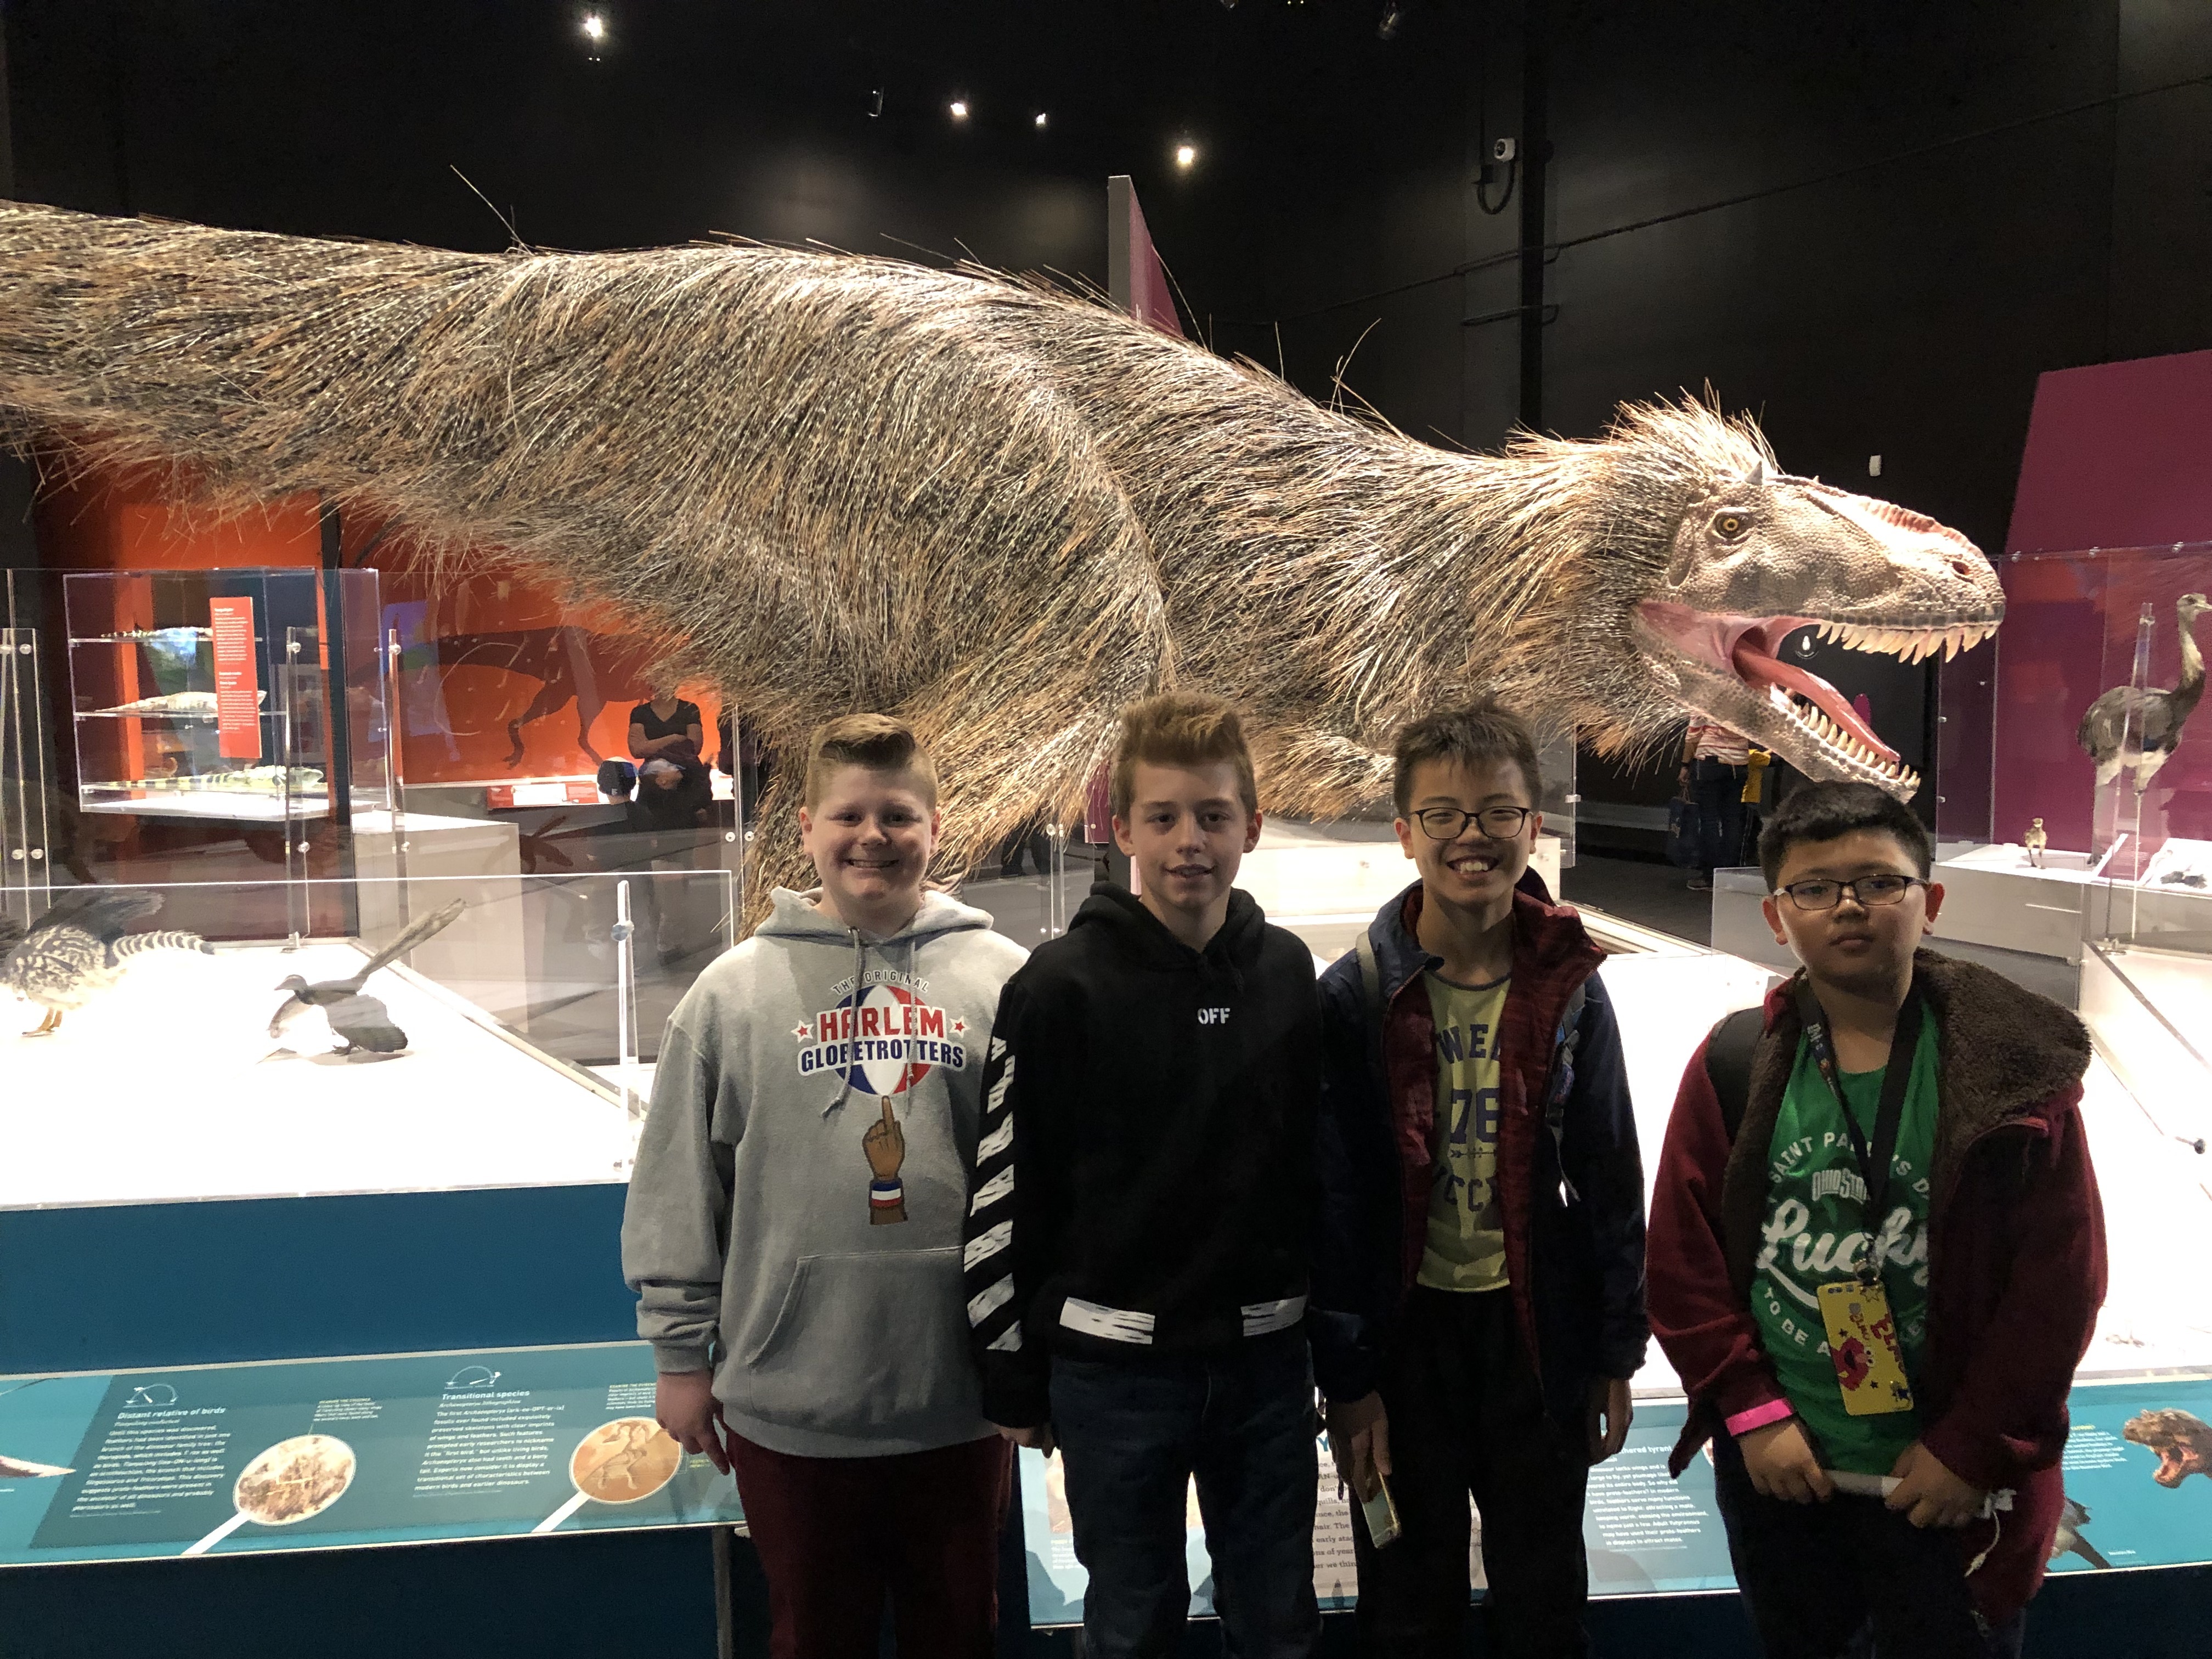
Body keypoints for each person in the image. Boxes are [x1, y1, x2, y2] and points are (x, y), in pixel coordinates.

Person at [1646, 780, 2106, 1659]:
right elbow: (1682, 1256)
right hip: (1790, 1478)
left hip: (1948, 1489)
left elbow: (2060, 1283)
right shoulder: (1737, 1060)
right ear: (1777, 917)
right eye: (1815, 889)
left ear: (1931, 901)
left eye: (1880, 882)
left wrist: (1972, 1447)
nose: (1849, 906)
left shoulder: (2014, 1075)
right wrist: (1750, 1409)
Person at [622, 713, 1029, 1659]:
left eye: (898, 815)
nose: (872, 836)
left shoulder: (1009, 982)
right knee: (813, 1639)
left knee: (958, 1638)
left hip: (960, 1398)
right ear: (805, 828)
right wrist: (679, 1358)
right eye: (848, 815)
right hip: (790, 1407)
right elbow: (681, 1183)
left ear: (936, 827)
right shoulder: (729, 996)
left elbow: (1046, 1182)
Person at [963, 691, 1336, 1659]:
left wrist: (1341, 1352)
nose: (1189, 841)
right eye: (1163, 817)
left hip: (1265, 1369)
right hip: (1113, 1377)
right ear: (1121, 828)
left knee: (1279, 1622)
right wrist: (1011, 1370)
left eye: (1213, 815)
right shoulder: (1057, 985)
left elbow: (1323, 1170)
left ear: (1252, 825)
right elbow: (1005, 1186)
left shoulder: (1289, 973)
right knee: (1130, 1625)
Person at [1316, 698, 1648, 1658]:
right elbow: (1333, 1201)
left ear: (1533, 825)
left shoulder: (1571, 987)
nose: (1473, 836)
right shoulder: (1356, 994)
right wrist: (1348, 1378)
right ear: (1404, 832)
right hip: (1407, 1342)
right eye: (1445, 814)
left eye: (1499, 812)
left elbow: (1610, 1169)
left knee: (1543, 1596)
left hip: (1535, 1338)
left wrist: (1615, 1351)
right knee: (1406, 1603)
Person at [1681, 719, 1753, 891]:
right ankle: (1729, 876)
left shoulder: (1709, 702)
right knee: (1732, 820)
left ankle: (1710, 877)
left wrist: (1685, 765)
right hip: (1739, 763)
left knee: (1709, 820)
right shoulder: (1749, 703)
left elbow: (1693, 735)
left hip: (1710, 762)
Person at [629, 686, 704, 762]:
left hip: (685, 763)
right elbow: (637, 750)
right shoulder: (640, 712)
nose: (662, 685)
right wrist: (674, 739)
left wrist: (652, 746)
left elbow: (694, 748)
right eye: (657, 681)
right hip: (654, 765)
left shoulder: (689, 708)